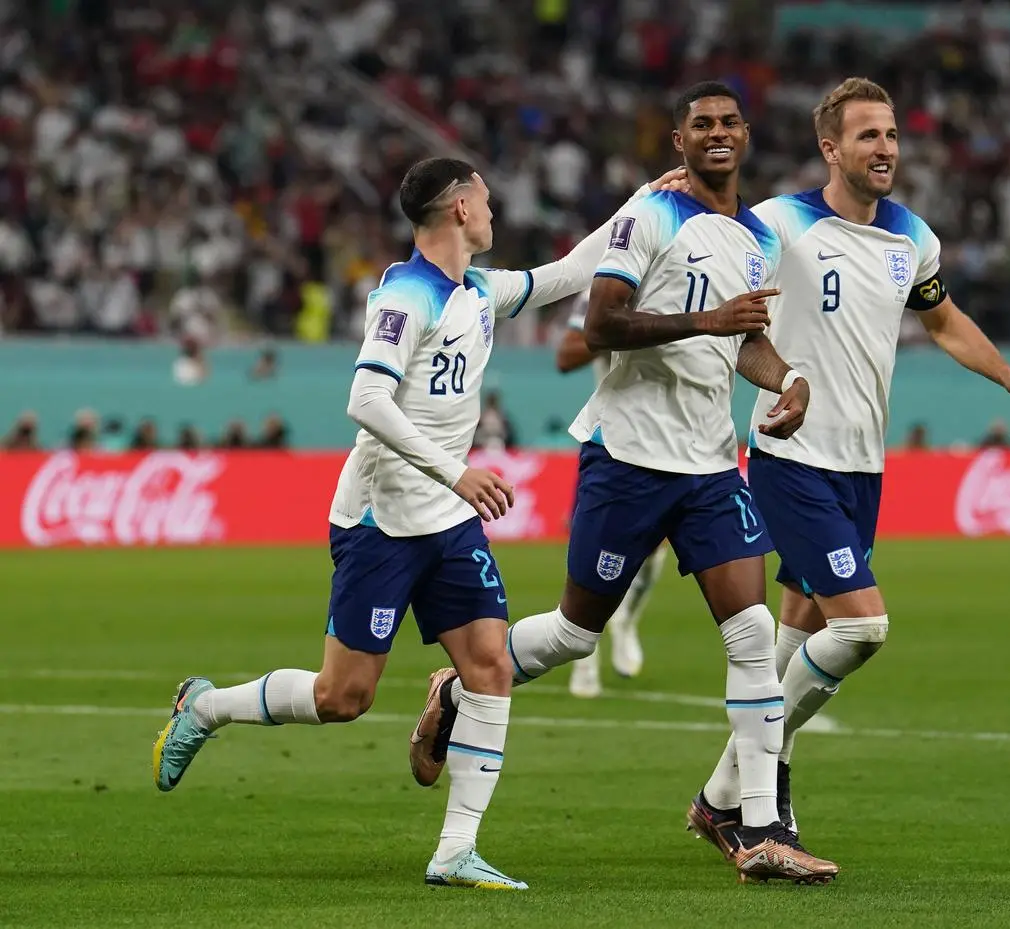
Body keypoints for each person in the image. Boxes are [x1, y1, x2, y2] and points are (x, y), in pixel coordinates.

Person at [151, 156, 687, 891]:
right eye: (488, 200)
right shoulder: (407, 296)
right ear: (461, 208)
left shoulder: (477, 291)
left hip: (447, 522)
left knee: (491, 665)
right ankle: (205, 706)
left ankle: (454, 850)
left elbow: (568, 272)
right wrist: (457, 471)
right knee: (343, 698)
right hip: (381, 519)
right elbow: (366, 400)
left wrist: (643, 204)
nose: (495, 211)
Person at [415, 81, 839, 885]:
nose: (717, 134)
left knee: (751, 635)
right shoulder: (650, 218)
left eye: (728, 123)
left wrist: (788, 380)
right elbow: (601, 322)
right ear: (678, 139)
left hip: (711, 464)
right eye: (700, 124)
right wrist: (704, 321)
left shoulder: (755, 239)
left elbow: (744, 341)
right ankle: (460, 682)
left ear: (746, 136)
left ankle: (759, 830)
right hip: (629, 459)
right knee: (577, 632)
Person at [687, 77, 1010, 858]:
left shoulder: (911, 238)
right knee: (864, 625)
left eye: (890, 135)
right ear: (831, 148)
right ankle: (763, 778)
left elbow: (944, 320)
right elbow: (712, 251)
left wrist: (1006, 373)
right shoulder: (780, 221)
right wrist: (667, 195)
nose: (884, 148)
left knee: (805, 627)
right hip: (791, 456)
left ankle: (721, 799)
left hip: (861, 465)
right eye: (867, 136)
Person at [553, 292, 663, 698]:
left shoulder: (686, 273)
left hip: (670, 440)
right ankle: (585, 664)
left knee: (655, 554)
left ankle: (626, 621)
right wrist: (630, 325)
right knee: (589, 557)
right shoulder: (607, 286)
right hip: (613, 440)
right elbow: (565, 355)